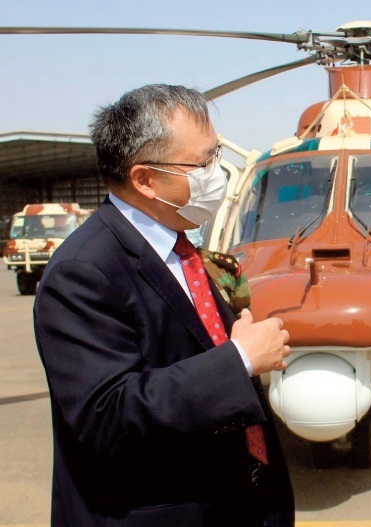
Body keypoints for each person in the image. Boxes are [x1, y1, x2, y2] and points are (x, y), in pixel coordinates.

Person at [33, 84, 295, 527]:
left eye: (217, 156)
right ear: (145, 180)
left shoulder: (180, 248)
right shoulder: (84, 271)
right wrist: (240, 360)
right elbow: (106, 417)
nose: (217, 174)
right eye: (203, 163)